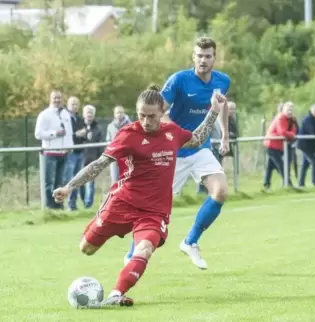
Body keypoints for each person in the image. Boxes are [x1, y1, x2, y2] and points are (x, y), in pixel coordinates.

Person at [52, 85, 226, 307]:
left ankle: (116, 294)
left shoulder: (172, 133)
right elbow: (99, 164)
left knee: (144, 249)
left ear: (162, 112)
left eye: (151, 116)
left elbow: (197, 138)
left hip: (154, 212)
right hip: (122, 203)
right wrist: (69, 187)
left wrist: (213, 110)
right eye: (141, 115)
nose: (145, 121)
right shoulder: (128, 135)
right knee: (86, 248)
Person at [123, 37, 231, 270]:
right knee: (153, 208)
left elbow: (221, 106)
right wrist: (176, 134)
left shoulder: (223, 81)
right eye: (199, 56)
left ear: (215, 57)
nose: (203, 60)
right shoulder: (179, 80)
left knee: (220, 191)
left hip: (200, 149)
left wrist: (224, 135)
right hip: (173, 152)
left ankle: (190, 242)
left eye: (208, 56)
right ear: (193, 57)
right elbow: (159, 110)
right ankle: (132, 252)